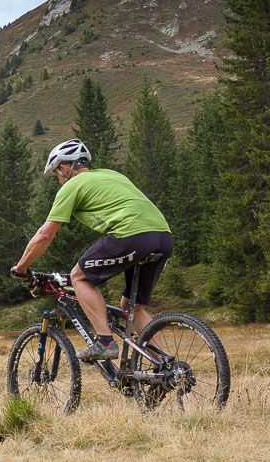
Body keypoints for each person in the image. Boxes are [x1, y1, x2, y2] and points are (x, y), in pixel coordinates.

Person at [11, 139, 173, 361]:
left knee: (80, 277)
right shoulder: (113, 175)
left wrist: (22, 267)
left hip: (131, 234)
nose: (59, 181)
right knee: (132, 308)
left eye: (57, 175)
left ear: (65, 168)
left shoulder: (72, 185)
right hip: (163, 236)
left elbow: (45, 235)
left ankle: (104, 341)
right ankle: (164, 366)